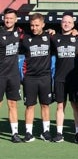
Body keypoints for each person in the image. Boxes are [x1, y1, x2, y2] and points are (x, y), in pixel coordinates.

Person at [20, 13, 53, 142]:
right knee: (30, 105)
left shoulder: (49, 37)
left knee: (45, 105)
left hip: (45, 77)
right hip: (30, 78)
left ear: (43, 25)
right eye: (32, 25)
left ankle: (46, 131)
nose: (34, 28)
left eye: (37, 25)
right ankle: (28, 132)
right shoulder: (25, 38)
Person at [51, 13, 78, 143]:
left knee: (76, 105)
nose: (66, 24)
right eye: (64, 22)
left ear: (73, 24)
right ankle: (59, 133)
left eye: (69, 22)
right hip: (59, 78)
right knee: (60, 106)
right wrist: (49, 31)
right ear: (60, 23)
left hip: (74, 78)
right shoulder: (54, 38)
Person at [0, 8, 23, 143]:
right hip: (0, 74)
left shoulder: (19, 32)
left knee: (12, 103)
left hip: (13, 75)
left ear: (16, 19)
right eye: (6, 18)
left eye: (11, 18)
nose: (8, 20)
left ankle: (14, 133)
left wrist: (51, 31)